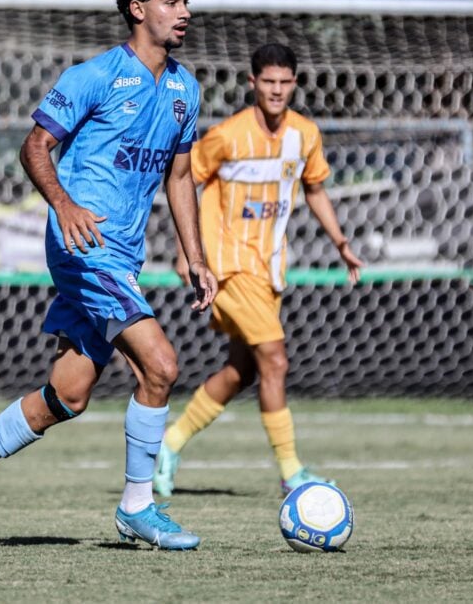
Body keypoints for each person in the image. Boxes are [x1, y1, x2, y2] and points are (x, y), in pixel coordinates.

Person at [0, 0, 217, 550]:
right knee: (160, 366)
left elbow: (180, 177)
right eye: (172, 1)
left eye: (186, 1)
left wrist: (196, 255)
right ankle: (138, 505)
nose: (184, 12)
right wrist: (63, 204)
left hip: (124, 254)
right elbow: (35, 147)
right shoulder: (95, 76)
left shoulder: (186, 88)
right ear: (138, 9)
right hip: (84, 247)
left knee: (69, 395)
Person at [153, 43, 363, 498]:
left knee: (241, 371)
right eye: (268, 81)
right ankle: (292, 473)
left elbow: (316, 190)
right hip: (228, 267)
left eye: (285, 82)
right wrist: (187, 252)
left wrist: (342, 244)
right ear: (252, 83)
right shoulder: (227, 136)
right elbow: (184, 179)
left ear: (294, 84)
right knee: (275, 359)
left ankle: (168, 446)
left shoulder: (304, 135)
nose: (277, 90)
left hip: (269, 270)